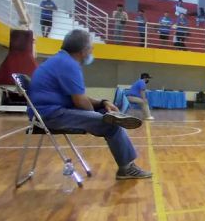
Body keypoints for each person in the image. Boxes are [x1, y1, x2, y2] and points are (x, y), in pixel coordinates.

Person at [28, 29, 151, 180]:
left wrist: (102, 103)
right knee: (111, 125)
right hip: (51, 116)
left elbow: (79, 97)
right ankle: (127, 168)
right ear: (83, 50)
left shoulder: (60, 61)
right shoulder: (69, 65)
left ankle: (111, 118)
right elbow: (80, 102)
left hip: (49, 112)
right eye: (91, 47)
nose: (92, 50)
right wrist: (97, 116)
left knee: (106, 116)